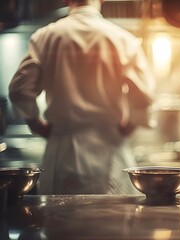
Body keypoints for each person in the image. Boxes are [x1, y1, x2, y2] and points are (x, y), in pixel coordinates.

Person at [8, 0, 155, 194]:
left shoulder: (45, 37)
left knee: (59, 219)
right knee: (113, 219)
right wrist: (129, 126)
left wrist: (37, 124)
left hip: (62, 151)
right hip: (109, 148)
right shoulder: (122, 39)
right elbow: (144, 95)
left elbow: (19, 89)